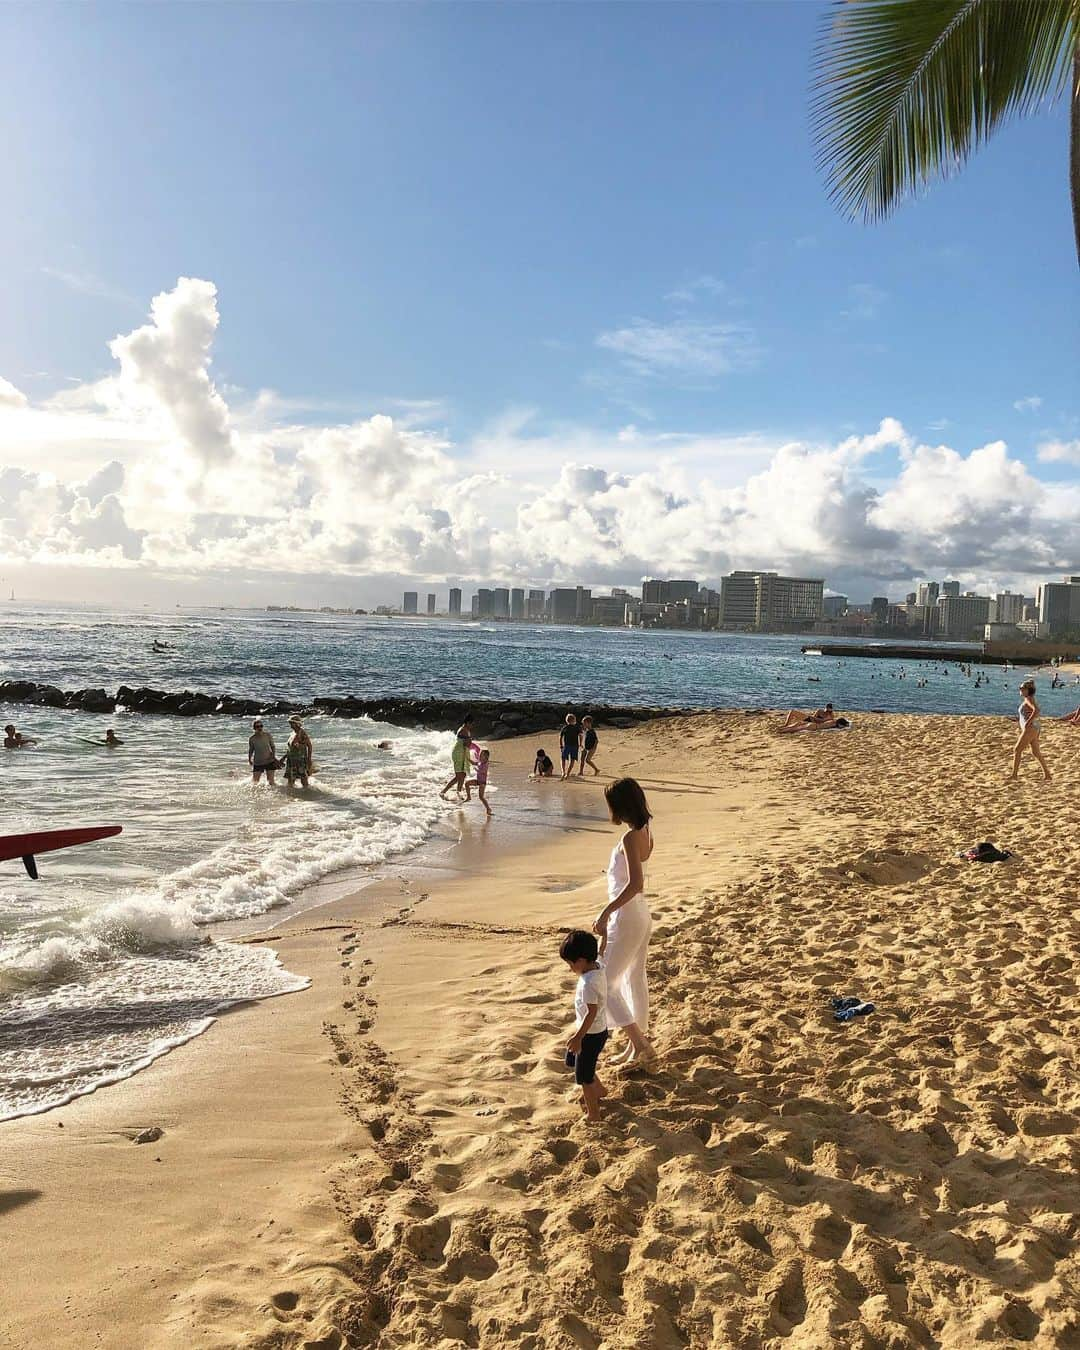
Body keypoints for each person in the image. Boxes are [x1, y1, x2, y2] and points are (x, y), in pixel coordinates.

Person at [592, 777, 656, 1070]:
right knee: (633, 978)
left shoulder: (631, 838)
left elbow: (635, 884)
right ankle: (636, 1046)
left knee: (604, 983)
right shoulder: (645, 830)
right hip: (640, 914)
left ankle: (639, 1042)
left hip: (629, 914)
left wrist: (606, 912)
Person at [559, 929, 609, 1123]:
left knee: (584, 1078)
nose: (570, 968)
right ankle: (601, 1090)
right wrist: (603, 934)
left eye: (570, 964)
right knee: (573, 1061)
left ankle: (594, 1114)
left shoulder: (589, 983)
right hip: (597, 1030)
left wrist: (579, 1037)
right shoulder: (598, 964)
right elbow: (602, 948)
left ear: (580, 961)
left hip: (590, 1034)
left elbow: (592, 1012)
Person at [1010, 680, 1052, 782]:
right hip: (1035, 727)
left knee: (1017, 750)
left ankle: (1014, 776)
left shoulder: (1029, 699)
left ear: (1027, 690)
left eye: (1022, 688)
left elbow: (1036, 710)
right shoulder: (1028, 699)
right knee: (1036, 752)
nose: (1020, 690)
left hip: (1031, 728)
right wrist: (1018, 719)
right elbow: (1028, 713)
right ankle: (1047, 775)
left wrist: (1028, 722)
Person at [440, 719, 474, 799]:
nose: (472, 726)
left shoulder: (463, 729)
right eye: (472, 723)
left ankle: (458, 793)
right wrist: (470, 741)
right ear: (467, 723)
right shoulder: (464, 731)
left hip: (461, 752)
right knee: (459, 776)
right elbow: (467, 744)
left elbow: (467, 743)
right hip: (459, 754)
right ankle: (443, 792)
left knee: (463, 775)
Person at [285, 716, 313, 789]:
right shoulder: (293, 733)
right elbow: (290, 748)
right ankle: (291, 797)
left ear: (297, 724)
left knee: (303, 781)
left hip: (300, 760)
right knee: (290, 781)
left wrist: (309, 759)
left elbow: (309, 746)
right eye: (290, 723)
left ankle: (308, 795)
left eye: (291, 723)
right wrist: (283, 758)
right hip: (291, 760)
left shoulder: (302, 733)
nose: (290, 724)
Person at [248, 719, 278, 785]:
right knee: (255, 783)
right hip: (258, 762)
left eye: (261, 726)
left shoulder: (268, 735)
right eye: (257, 727)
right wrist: (249, 759)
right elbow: (251, 750)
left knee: (271, 782)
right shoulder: (252, 739)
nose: (260, 728)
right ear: (254, 728)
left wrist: (273, 756)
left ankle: (273, 795)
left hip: (269, 760)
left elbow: (273, 746)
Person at [465, 747, 493, 815]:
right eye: (480, 754)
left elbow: (482, 771)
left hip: (482, 783)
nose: (480, 756)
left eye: (481, 755)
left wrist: (476, 769)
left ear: (486, 756)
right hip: (478, 780)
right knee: (467, 783)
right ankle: (469, 797)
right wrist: (468, 759)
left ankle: (488, 809)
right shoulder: (480, 762)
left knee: (481, 797)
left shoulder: (485, 764)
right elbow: (474, 763)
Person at [559, 713, 581, 780]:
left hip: (567, 745)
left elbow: (560, 737)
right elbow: (581, 735)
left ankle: (563, 772)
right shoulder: (577, 728)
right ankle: (568, 774)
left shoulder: (565, 728)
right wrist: (580, 743)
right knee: (572, 760)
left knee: (563, 758)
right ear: (574, 720)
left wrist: (561, 745)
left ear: (566, 721)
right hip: (575, 746)